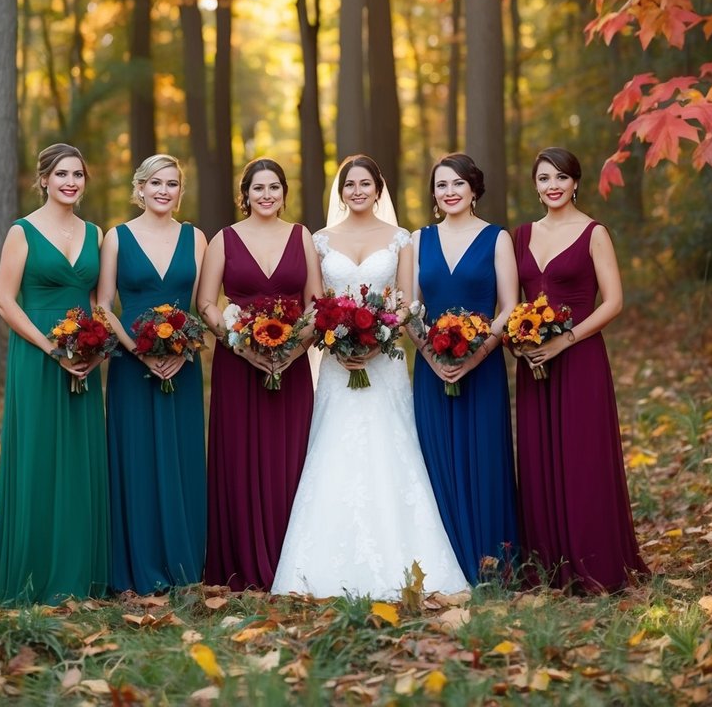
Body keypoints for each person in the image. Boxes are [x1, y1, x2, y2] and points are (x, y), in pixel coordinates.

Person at [272, 154, 468, 600]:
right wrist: (336, 342)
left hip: (385, 363)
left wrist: (378, 340)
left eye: (365, 183)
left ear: (379, 190)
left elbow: (404, 302)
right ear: (340, 192)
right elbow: (316, 303)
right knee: (333, 451)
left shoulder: (401, 239)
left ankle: (411, 564)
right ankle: (320, 569)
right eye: (348, 184)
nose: (356, 190)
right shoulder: (319, 240)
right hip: (338, 368)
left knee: (391, 451)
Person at [513, 147, 649, 592]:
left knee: (583, 457)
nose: (552, 185)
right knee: (539, 459)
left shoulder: (594, 233)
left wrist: (564, 340)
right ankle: (549, 565)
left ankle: (595, 562)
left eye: (561, 178)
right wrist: (520, 341)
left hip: (581, 358)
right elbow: (512, 304)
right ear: (535, 185)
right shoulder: (520, 236)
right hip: (534, 363)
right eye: (544, 178)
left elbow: (614, 301)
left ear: (576, 183)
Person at [0, 144, 110, 604]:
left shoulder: (95, 233)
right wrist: (50, 347)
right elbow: (4, 300)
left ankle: (82, 571)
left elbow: (99, 301)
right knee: (38, 457)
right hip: (38, 356)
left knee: (80, 460)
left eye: (78, 174)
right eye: (61, 174)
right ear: (44, 180)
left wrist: (98, 349)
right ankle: (32, 571)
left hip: (85, 356)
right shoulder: (22, 232)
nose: (71, 181)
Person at [197, 158, 321, 591]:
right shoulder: (223, 239)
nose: (266, 195)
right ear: (244, 194)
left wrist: (293, 349)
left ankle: (293, 559)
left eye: (274, 187)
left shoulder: (301, 236)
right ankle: (241, 560)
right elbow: (207, 304)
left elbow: (315, 304)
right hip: (238, 365)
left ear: (284, 192)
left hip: (292, 366)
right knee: (241, 460)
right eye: (257, 188)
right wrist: (238, 342)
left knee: (290, 458)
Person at [97, 155, 208, 593]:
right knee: (137, 460)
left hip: (183, 365)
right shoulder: (116, 238)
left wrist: (186, 349)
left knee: (180, 460)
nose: (164, 190)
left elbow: (203, 307)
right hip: (131, 367)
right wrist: (137, 352)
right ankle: (136, 563)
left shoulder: (197, 238)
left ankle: (184, 563)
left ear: (181, 191)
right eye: (156, 182)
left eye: (173, 183)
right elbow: (104, 305)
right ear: (139, 188)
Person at [412, 153, 519, 585]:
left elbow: (510, 306)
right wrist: (431, 354)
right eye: (441, 185)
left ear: (474, 189)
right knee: (436, 461)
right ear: (434, 194)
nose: (450, 191)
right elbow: (410, 307)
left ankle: (492, 564)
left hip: (484, 367)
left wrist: (477, 352)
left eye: (458, 183)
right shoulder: (419, 239)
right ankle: (446, 566)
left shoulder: (497, 239)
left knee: (484, 459)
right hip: (430, 368)